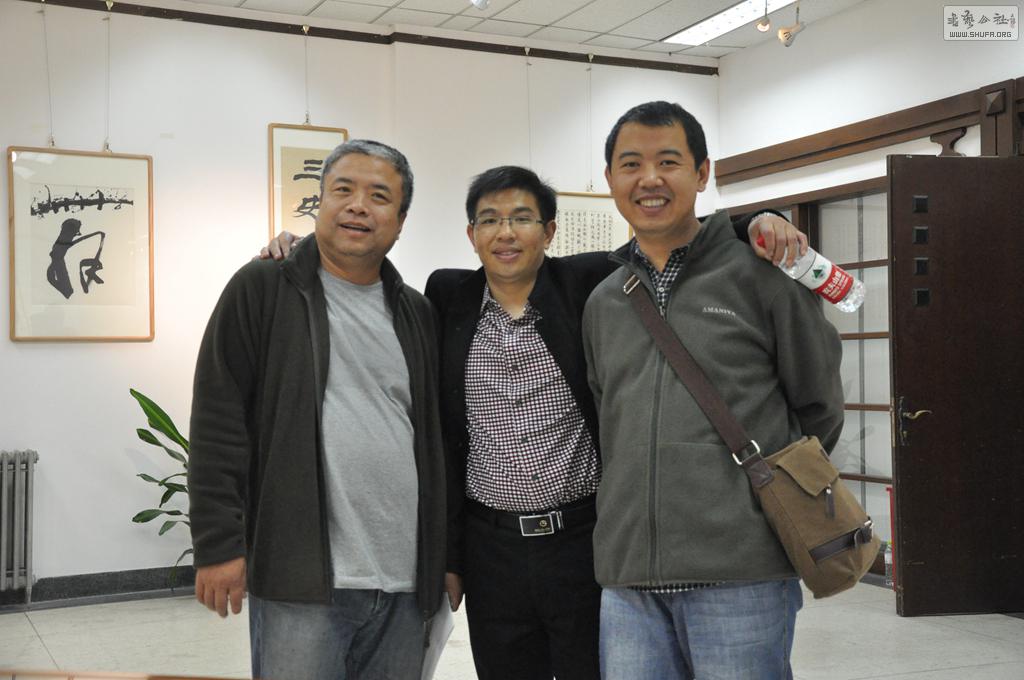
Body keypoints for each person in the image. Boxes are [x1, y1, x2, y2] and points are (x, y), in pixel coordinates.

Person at [264, 165, 806, 680]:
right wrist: (302, 249)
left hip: (581, 541)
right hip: (490, 548)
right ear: (471, 234)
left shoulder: (584, 282)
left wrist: (757, 221)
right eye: (489, 220)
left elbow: (667, 237)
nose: (505, 233)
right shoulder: (448, 295)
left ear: (548, 231)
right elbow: (367, 280)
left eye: (521, 218)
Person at [582, 101, 844, 680]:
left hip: (741, 572)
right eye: (631, 164)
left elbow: (819, 408)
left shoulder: (763, 275)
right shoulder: (605, 300)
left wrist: (747, 503)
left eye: (668, 162)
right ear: (610, 180)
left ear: (702, 173)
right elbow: (609, 420)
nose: (649, 179)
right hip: (628, 577)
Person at [188, 139, 446, 680]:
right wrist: (218, 545)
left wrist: (446, 559)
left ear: (400, 222)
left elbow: (438, 440)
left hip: (405, 581)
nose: (358, 206)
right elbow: (218, 419)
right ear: (320, 202)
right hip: (300, 580)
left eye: (379, 197)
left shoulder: (416, 312)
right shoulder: (264, 287)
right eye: (343, 190)